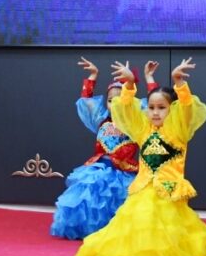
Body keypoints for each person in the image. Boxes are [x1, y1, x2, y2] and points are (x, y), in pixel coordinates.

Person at [75, 57, 206, 256]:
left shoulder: (178, 130)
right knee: (139, 221)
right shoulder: (142, 129)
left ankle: (162, 255)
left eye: (162, 108)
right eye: (152, 107)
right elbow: (126, 110)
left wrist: (179, 83)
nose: (155, 112)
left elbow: (187, 108)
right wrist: (129, 85)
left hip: (168, 191)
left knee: (166, 227)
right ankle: (139, 254)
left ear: (172, 109)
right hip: (143, 187)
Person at [50, 58, 158, 239]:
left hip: (125, 173)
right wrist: (93, 76)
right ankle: (91, 230)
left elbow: (155, 104)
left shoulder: (136, 122)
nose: (114, 104)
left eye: (119, 99)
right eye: (110, 100)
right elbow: (86, 101)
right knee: (89, 196)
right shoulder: (101, 119)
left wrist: (148, 78)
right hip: (99, 169)